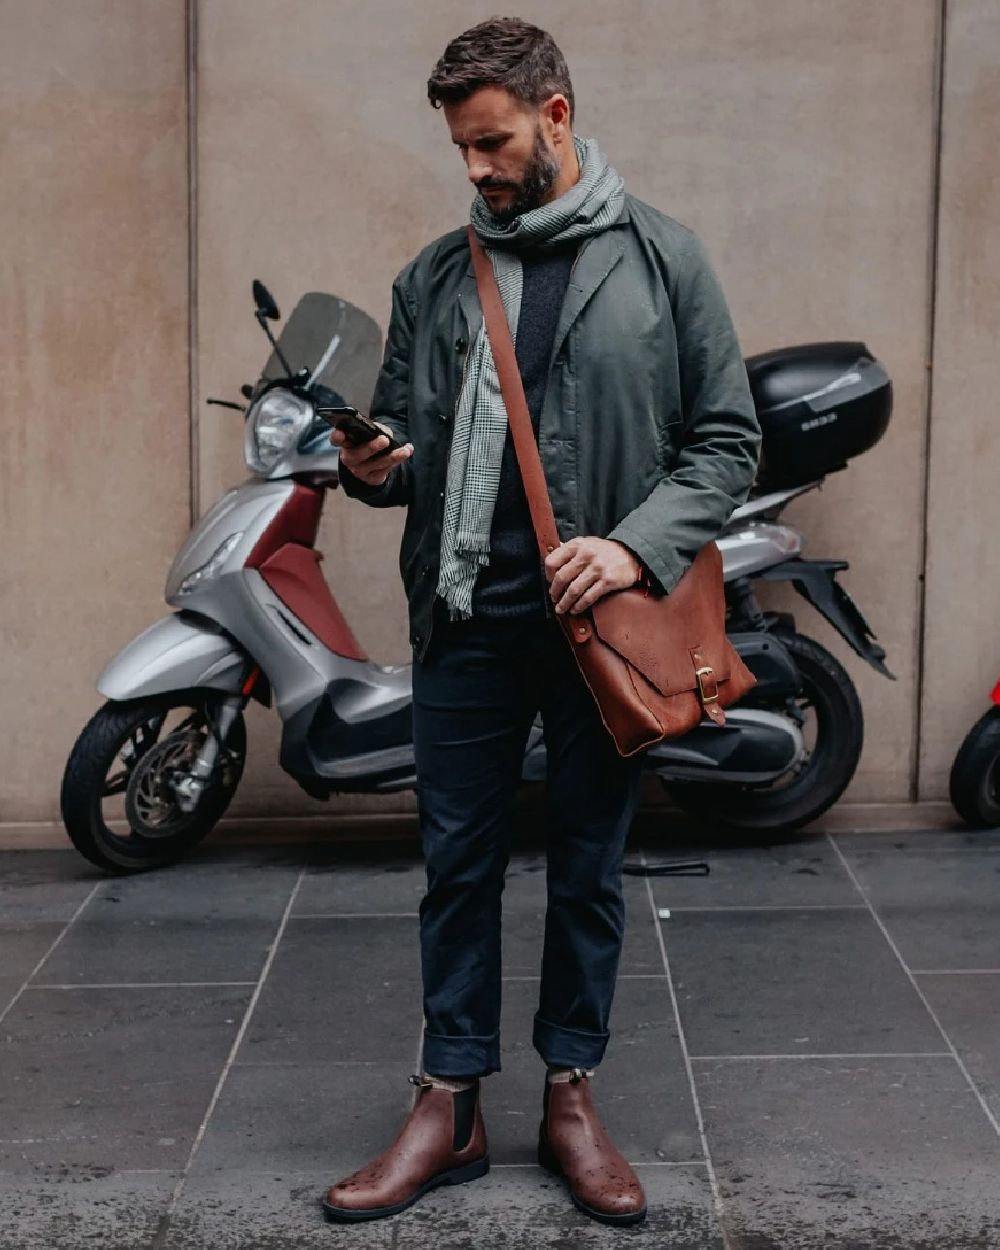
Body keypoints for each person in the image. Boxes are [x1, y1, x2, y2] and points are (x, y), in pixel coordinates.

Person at [322, 16, 760, 1228]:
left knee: (588, 867)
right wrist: (371, 460)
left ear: (554, 116)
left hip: (605, 628)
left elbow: (726, 441)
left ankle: (571, 1090)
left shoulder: (665, 261)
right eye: (462, 148)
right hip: (467, 614)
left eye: (493, 142)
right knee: (454, 865)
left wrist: (630, 542)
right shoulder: (433, 276)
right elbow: (410, 452)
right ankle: (448, 1099)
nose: (476, 168)